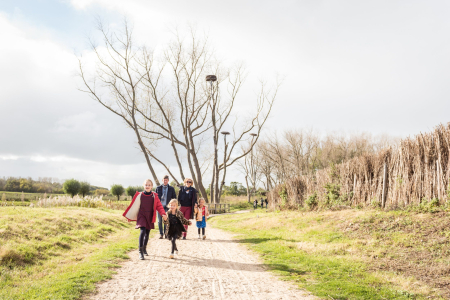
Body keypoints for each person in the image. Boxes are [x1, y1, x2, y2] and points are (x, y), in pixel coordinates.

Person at [123, 179, 167, 260]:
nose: (147, 186)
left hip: (150, 215)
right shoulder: (140, 195)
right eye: (146, 185)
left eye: (149, 185)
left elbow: (159, 206)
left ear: (152, 186)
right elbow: (133, 206)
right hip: (142, 215)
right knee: (142, 231)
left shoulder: (154, 195)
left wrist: (163, 214)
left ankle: (144, 249)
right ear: (144, 185)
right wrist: (130, 216)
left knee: (147, 233)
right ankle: (140, 251)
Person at [155, 175, 177, 239]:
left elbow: (174, 198)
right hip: (159, 207)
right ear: (162, 180)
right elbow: (155, 198)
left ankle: (166, 233)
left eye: (166, 180)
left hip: (167, 207)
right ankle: (161, 234)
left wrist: (173, 206)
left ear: (168, 181)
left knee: (166, 220)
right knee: (159, 221)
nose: (165, 181)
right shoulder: (158, 188)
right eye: (164, 180)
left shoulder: (171, 188)